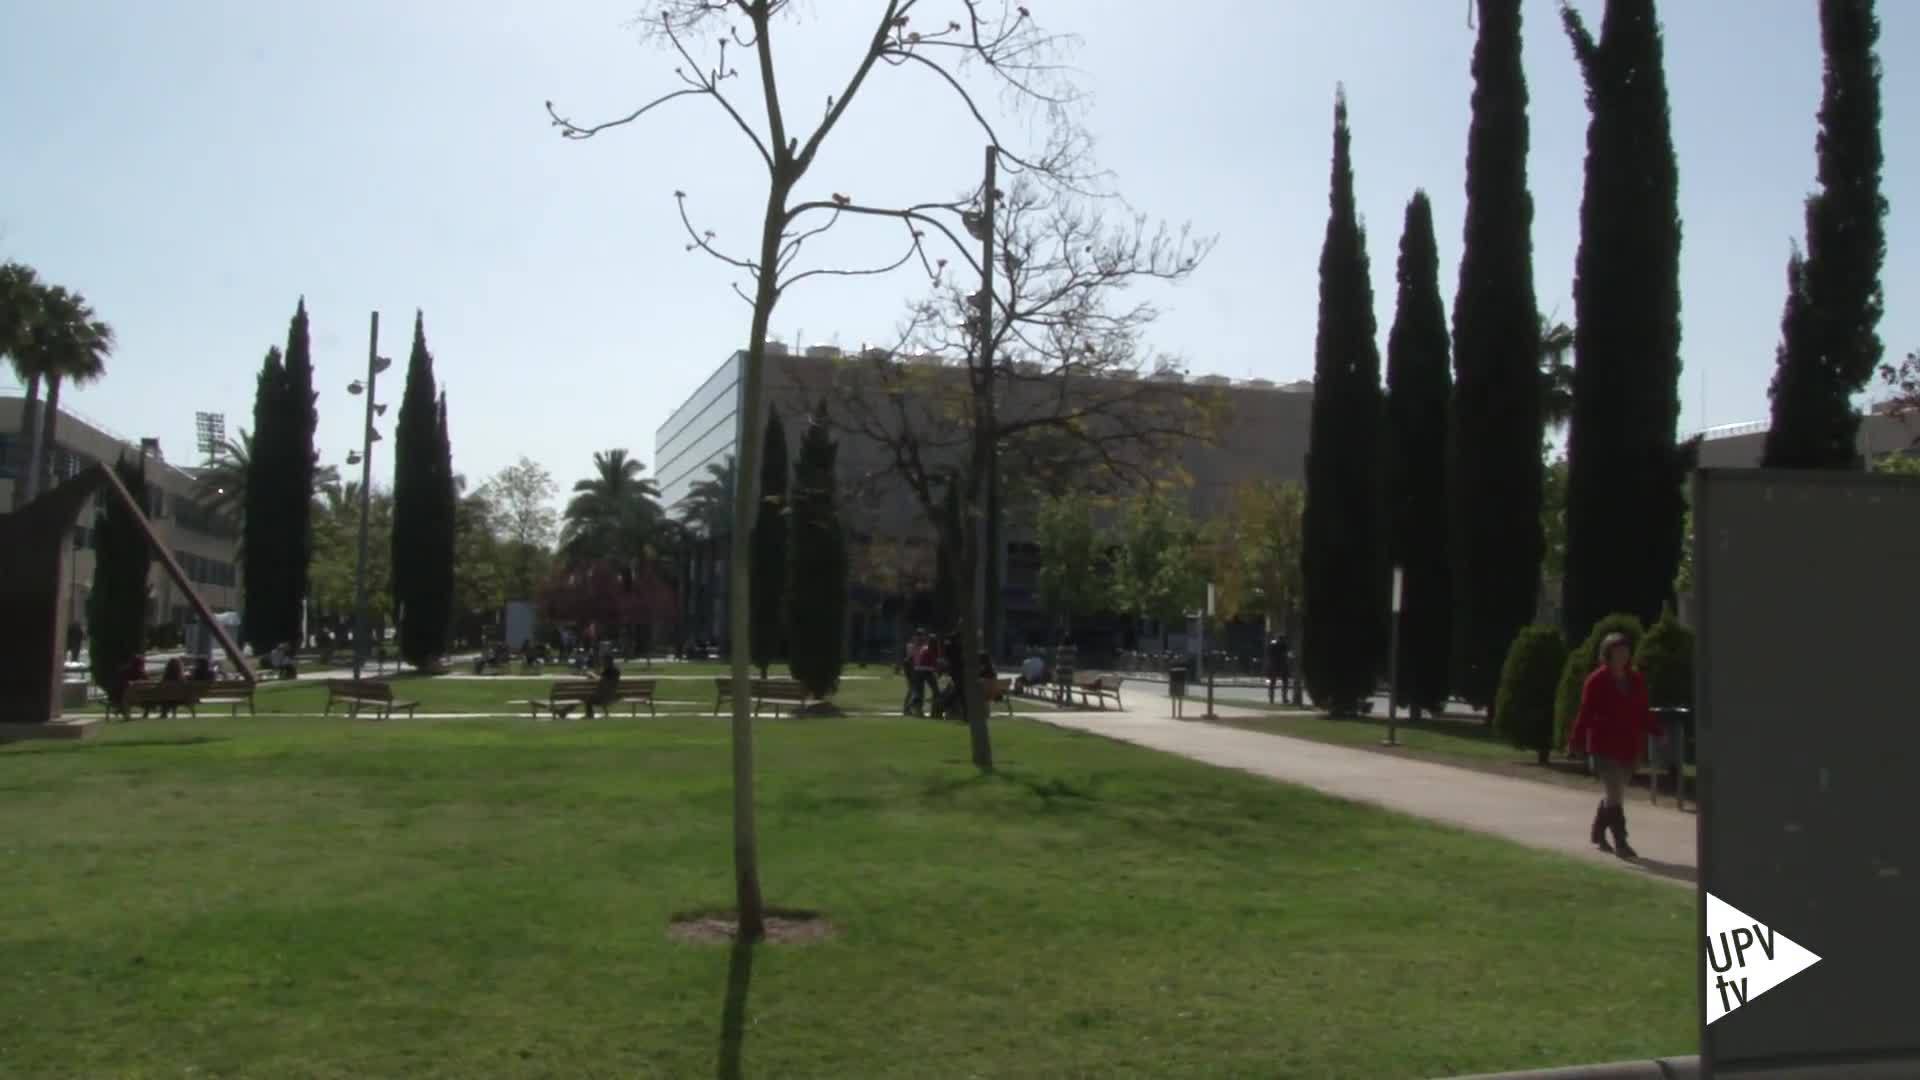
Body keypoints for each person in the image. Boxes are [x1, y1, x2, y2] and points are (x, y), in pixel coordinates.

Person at [1567, 632, 1661, 858]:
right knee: (1614, 793)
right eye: (1618, 652)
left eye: (1625, 652)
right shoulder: (1596, 680)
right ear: (1607, 654)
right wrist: (1576, 741)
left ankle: (1598, 831)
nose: (1623, 656)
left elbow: (1642, 711)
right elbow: (1585, 713)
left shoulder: (1635, 679)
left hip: (1629, 744)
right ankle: (1621, 842)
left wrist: (1657, 731)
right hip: (1604, 745)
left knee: (1615, 793)